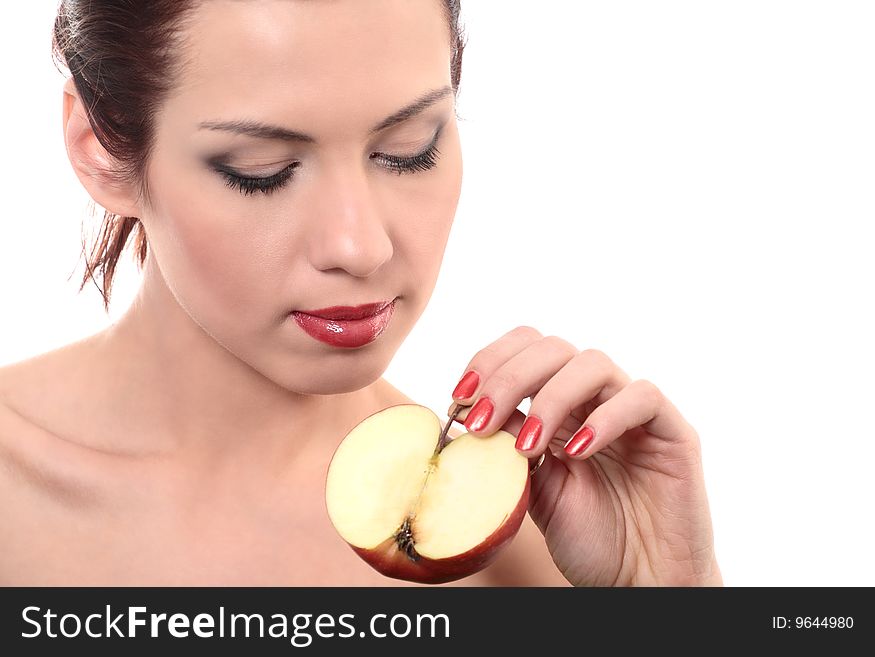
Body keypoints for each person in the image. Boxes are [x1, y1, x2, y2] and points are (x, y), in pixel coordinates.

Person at [0, 0, 722, 586]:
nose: (360, 246)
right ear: (99, 147)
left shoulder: (533, 535)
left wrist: (672, 599)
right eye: (263, 169)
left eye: (408, 150)